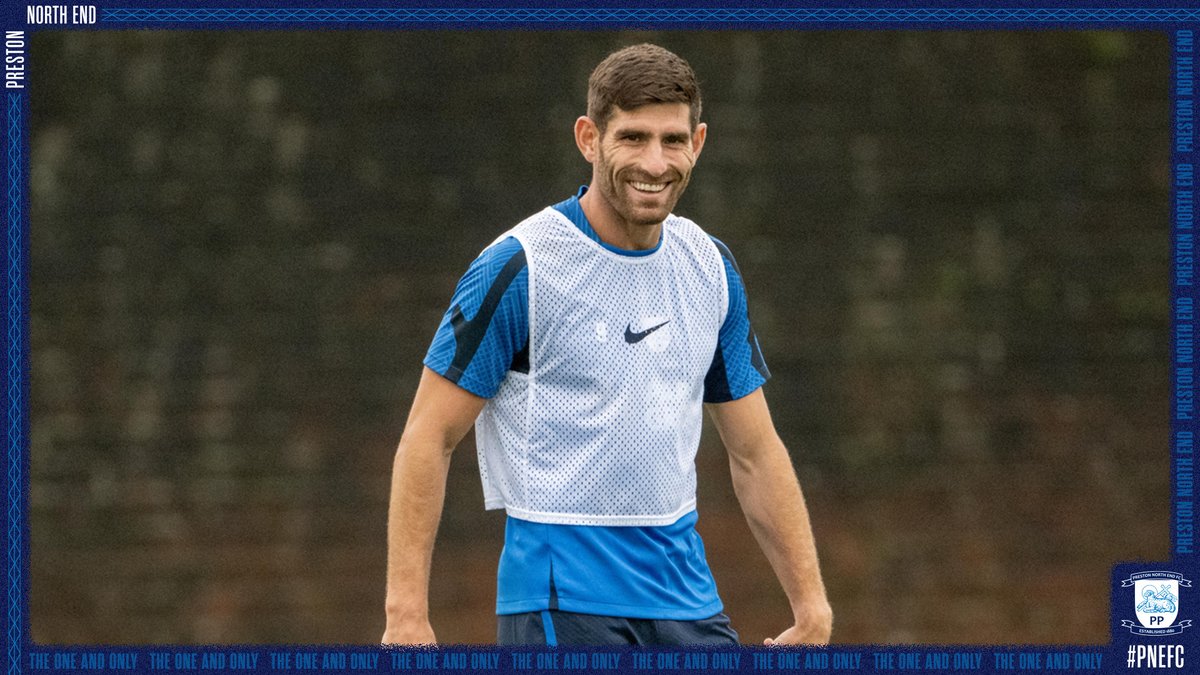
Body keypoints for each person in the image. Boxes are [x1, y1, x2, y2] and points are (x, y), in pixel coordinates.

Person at [382, 43, 832, 647]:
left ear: (698, 143)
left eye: (673, 140)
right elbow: (427, 438)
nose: (655, 161)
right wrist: (405, 615)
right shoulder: (520, 268)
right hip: (560, 601)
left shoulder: (711, 268)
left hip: (686, 599)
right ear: (589, 138)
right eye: (633, 137)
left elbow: (755, 451)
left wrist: (811, 607)